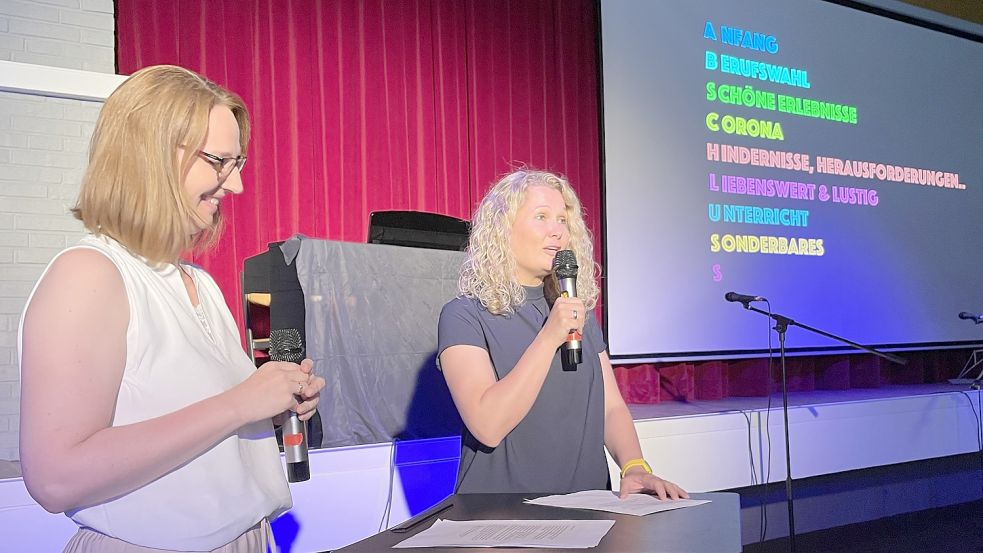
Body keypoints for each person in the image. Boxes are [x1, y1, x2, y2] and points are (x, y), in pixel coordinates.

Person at [18, 65, 325, 552]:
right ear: (151, 154)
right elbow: (56, 478)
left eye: (237, 162)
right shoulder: (89, 274)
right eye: (219, 161)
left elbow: (194, 431)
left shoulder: (197, 281)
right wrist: (239, 404)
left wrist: (268, 410)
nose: (236, 186)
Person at [437, 169, 688, 499]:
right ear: (503, 229)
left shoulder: (575, 310)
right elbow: (488, 425)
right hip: (501, 515)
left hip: (588, 505)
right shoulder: (463, 315)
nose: (557, 231)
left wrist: (634, 466)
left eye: (562, 220)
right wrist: (549, 337)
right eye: (541, 217)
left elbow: (610, 407)